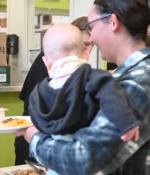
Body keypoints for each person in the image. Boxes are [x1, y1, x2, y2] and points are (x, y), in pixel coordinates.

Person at [15, 0, 150, 175]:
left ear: (112, 22)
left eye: (91, 26)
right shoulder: (127, 77)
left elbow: (83, 162)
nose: (91, 37)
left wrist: (34, 138)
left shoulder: (140, 80)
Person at [29, 23, 140, 175]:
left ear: (46, 62)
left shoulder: (41, 89)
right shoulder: (96, 78)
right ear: (86, 54)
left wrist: (41, 132)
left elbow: (36, 113)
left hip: (55, 143)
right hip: (80, 144)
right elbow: (113, 99)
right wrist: (127, 123)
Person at [16, 16, 94, 166]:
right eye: (85, 44)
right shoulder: (53, 63)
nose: (88, 51)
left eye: (92, 45)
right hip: (35, 143)